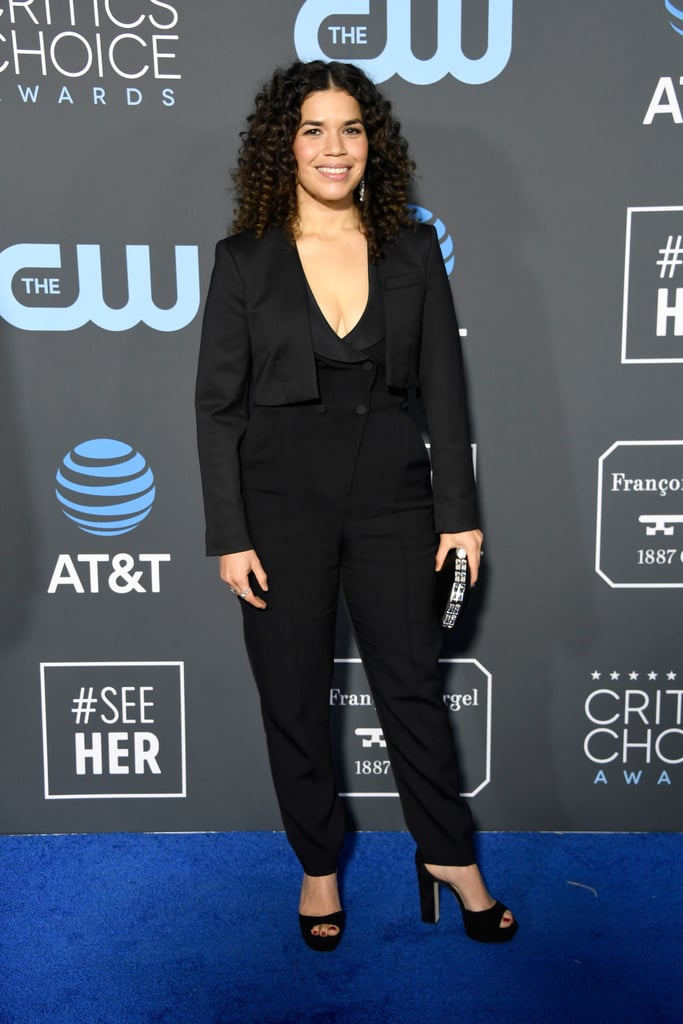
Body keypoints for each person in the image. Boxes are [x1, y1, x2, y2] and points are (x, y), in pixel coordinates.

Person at [195, 59, 517, 951]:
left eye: (350, 128)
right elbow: (216, 407)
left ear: (372, 143)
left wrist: (459, 514)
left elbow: (444, 395)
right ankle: (317, 866)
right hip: (277, 504)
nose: (333, 148)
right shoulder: (244, 259)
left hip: (393, 500)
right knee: (293, 699)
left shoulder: (411, 249)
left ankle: (449, 857)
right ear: (281, 146)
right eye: (311, 130)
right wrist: (230, 532)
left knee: (410, 687)